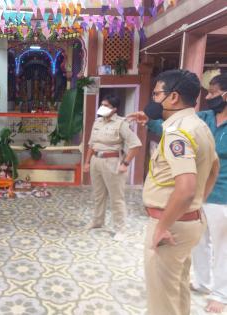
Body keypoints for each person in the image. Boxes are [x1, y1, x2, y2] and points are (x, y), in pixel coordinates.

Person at [128, 69, 219, 315]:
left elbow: (186, 187)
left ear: (174, 97)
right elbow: (214, 169)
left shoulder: (177, 132)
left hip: (171, 225)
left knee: (162, 303)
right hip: (187, 220)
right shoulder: (200, 126)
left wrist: (162, 226)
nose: (154, 99)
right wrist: (197, 205)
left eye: (157, 93)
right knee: (177, 289)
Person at [83, 94, 142, 241]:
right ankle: (98, 221)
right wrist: (87, 162)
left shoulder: (121, 124)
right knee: (98, 195)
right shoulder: (97, 122)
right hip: (96, 160)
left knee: (116, 198)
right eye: (101, 105)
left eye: (106, 106)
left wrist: (125, 163)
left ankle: (120, 229)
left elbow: (135, 145)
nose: (102, 108)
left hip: (112, 161)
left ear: (114, 109)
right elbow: (91, 144)